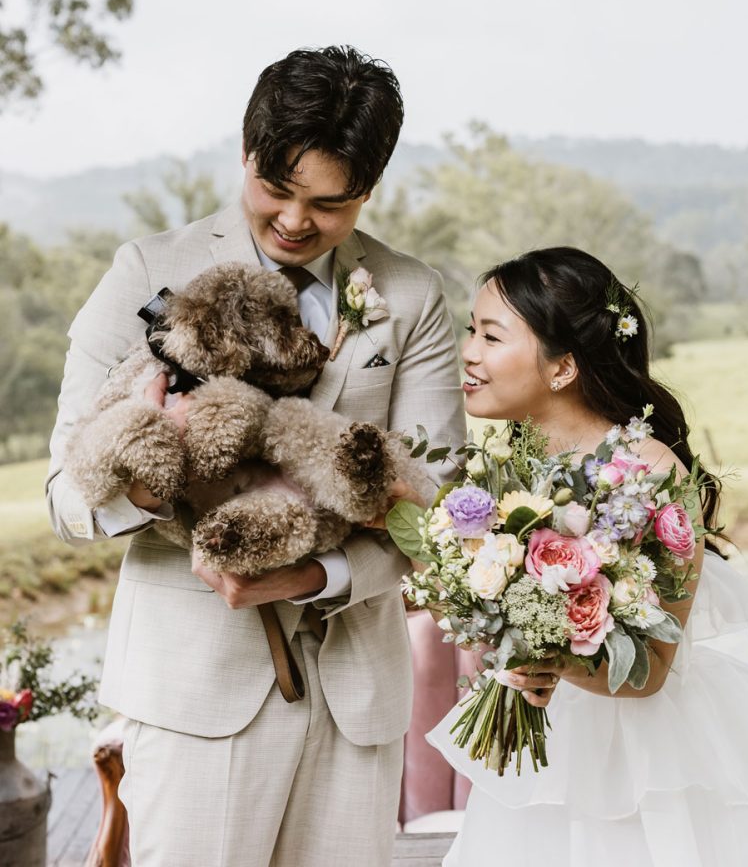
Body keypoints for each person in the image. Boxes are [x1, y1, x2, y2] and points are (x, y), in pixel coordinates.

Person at [46, 45, 466, 867]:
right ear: (246, 153)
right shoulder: (146, 271)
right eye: (276, 189)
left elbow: (441, 506)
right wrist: (145, 470)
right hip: (194, 692)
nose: (296, 222)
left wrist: (320, 579)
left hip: (358, 702)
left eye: (330, 203)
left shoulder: (409, 295)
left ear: (369, 190)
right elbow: (65, 496)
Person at [427, 247, 748, 867]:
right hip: (545, 751)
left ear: (562, 367)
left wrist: (549, 658)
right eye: (471, 330)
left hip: (645, 764)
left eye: (491, 336)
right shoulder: (501, 472)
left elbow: (650, 671)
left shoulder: (649, 474)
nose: (468, 351)